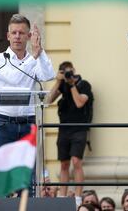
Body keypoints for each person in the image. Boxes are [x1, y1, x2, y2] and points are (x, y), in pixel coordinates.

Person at [0, 14, 55, 193]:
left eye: (22, 33)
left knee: (27, 176)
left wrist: (39, 51)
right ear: (8, 36)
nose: (17, 36)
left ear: (28, 36)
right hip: (3, 122)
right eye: (14, 33)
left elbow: (48, 75)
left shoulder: (33, 59)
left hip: (28, 122)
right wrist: (33, 57)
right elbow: (15, 79)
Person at [47, 61, 94, 203]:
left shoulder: (84, 85)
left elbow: (80, 102)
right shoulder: (62, 85)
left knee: (76, 161)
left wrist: (72, 84)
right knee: (64, 164)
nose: (68, 75)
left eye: (69, 72)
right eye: (65, 72)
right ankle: (62, 196)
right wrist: (58, 82)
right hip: (64, 129)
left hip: (79, 128)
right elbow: (48, 100)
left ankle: (78, 197)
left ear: (74, 70)